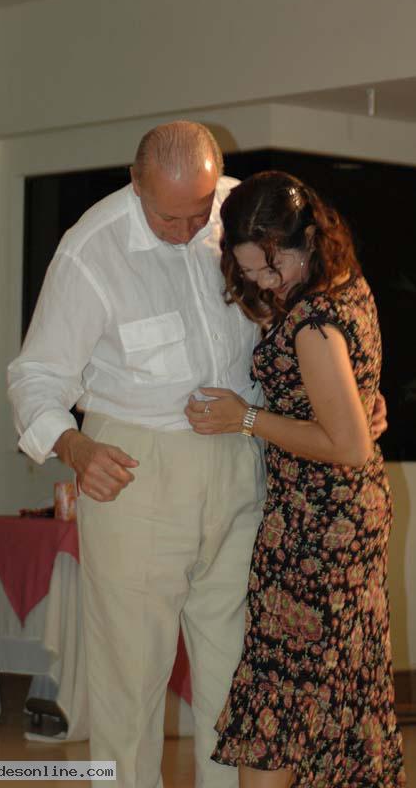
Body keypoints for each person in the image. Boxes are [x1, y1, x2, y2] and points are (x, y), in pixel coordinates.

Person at [7, 121, 267, 788]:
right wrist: (74, 445)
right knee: (129, 679)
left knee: (234, 670)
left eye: (198, 214)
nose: (185, 232)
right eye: (167, 218)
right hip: (133, 469)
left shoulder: (242, 211)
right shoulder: (90, 249)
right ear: (135, 182)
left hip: (240, 460)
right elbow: (36, 376)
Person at [185, 171, 406, 787]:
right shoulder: (347, 285)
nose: (263, 282)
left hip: (318, 527)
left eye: (271, 265)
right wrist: (363, 403)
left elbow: (348, 445)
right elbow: (352, 407)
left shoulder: (313, 321)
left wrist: (245, 418)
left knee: (282, 682)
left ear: (308, 239)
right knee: (332, 685)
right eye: (249, 270)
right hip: (347, 515)